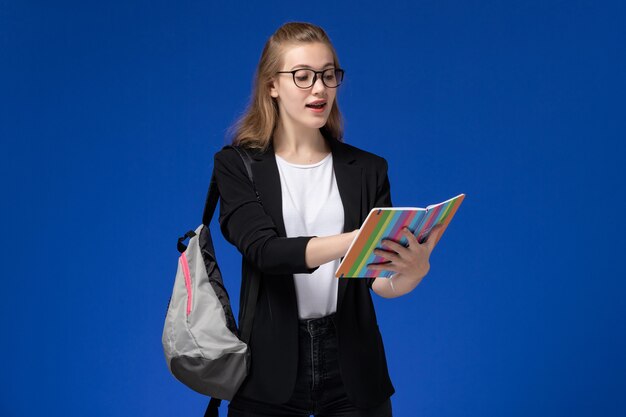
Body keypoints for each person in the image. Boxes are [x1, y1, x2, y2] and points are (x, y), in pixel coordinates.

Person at [212, 21, 443, 417]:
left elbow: (375, 280)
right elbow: (266, 252)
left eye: (328, 74)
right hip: (267, 369)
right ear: (272, 85)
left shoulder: (368, 168)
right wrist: (359, 238)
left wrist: (413, 271)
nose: (319, 88)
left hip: (354, 363)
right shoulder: (237, 165)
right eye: (302, 76)